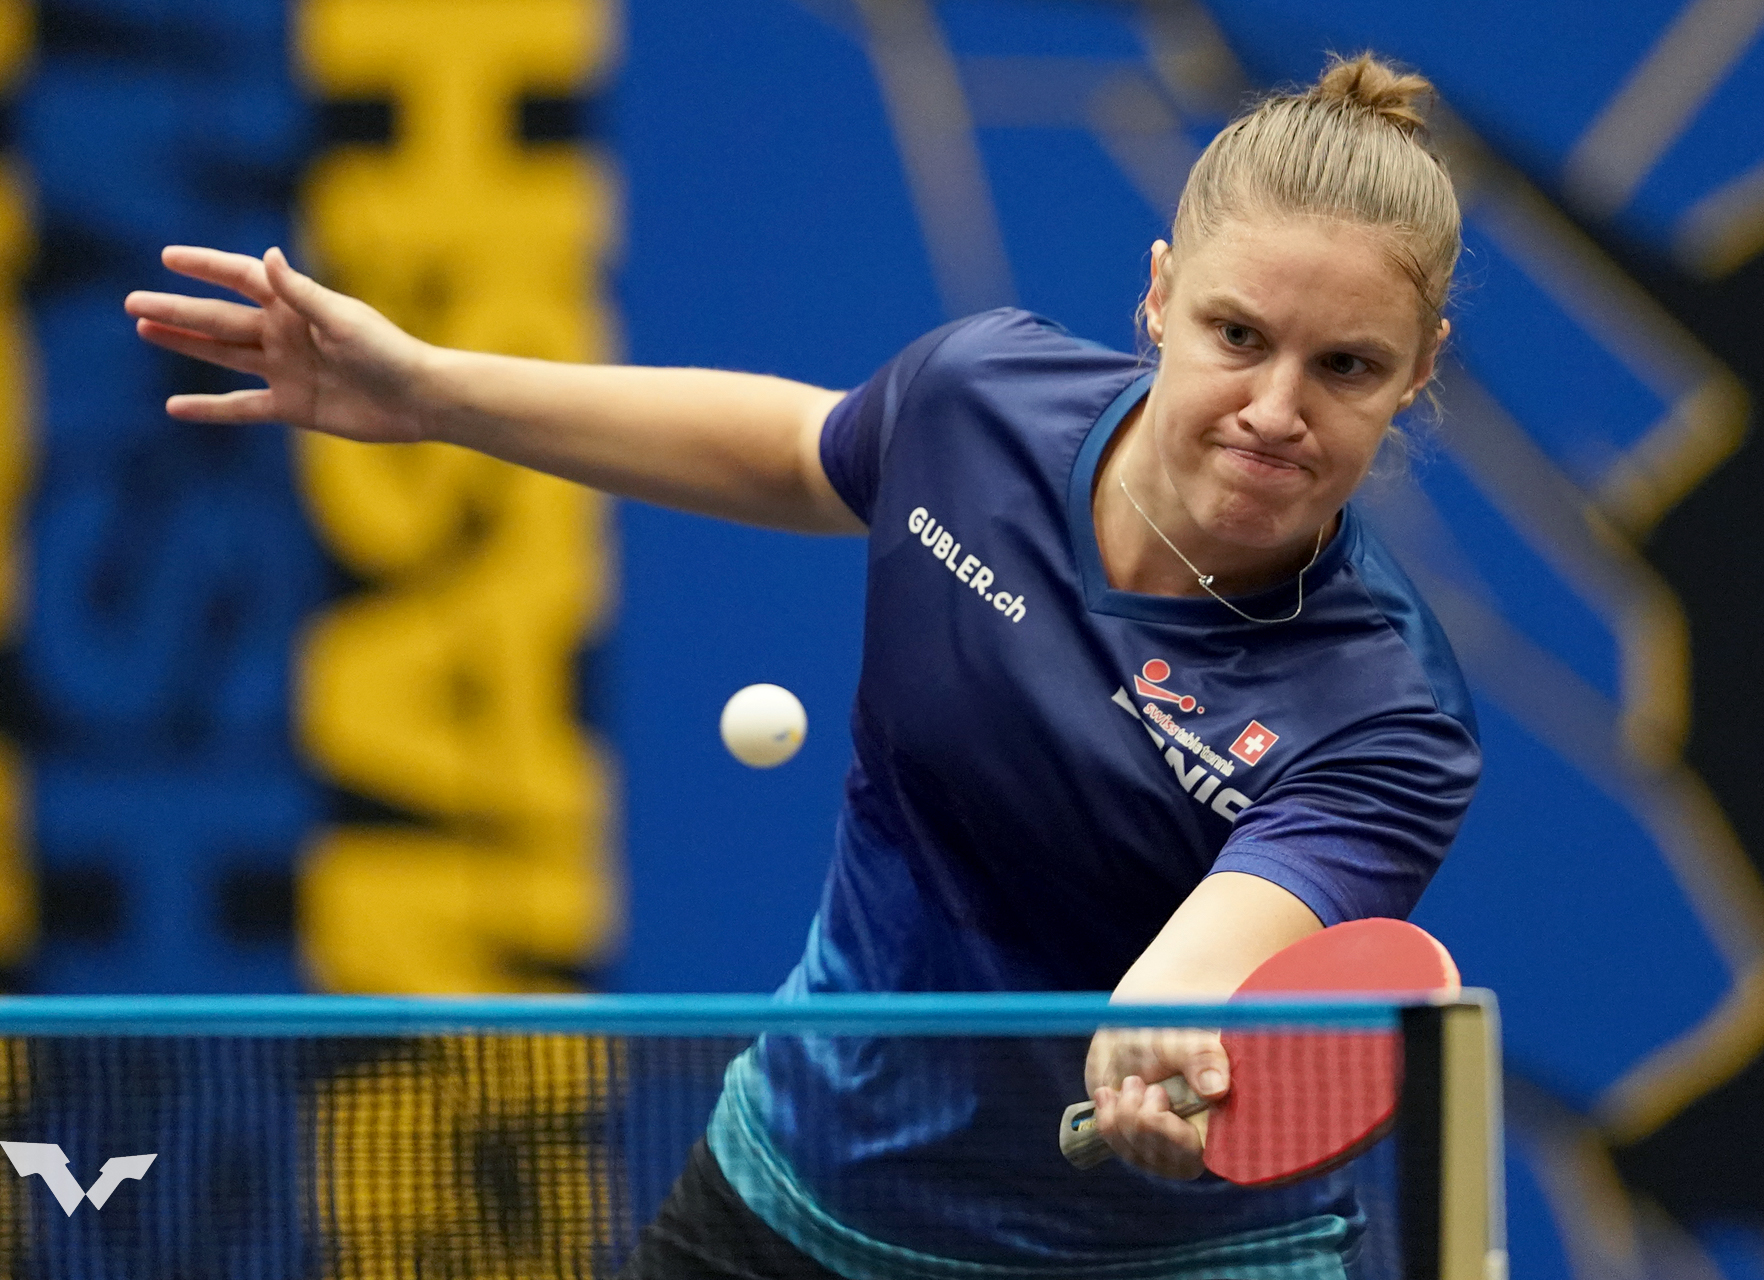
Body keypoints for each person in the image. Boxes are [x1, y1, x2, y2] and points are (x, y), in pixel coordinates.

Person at [127, 50, 1479, 1280]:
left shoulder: (1390, 715)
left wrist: (1157, 1033)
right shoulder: (978, 405)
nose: (1275, 409)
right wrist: (429, 391)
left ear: (1417, 376)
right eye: (1237, 335)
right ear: (1161, 293)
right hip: (800, 1195)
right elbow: (797, 449)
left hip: (1162, 1265)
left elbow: (1209, 956)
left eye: (1346, 367)